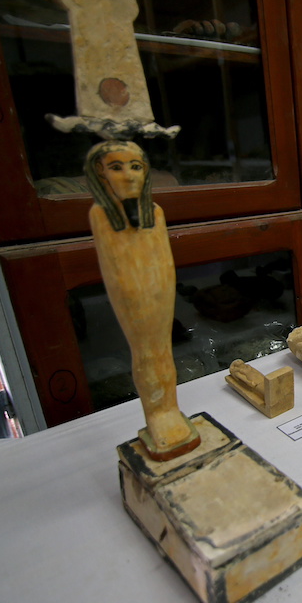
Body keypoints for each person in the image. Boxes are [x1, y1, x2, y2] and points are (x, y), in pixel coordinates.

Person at [86, 140, 197, 457]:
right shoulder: (101, 214)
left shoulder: (155, 212)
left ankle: (170, 409)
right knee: (146, 353)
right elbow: (116, 265)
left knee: (164, 350)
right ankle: (159, 413)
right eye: (116, 167)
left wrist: (161, 288)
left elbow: (163, 259)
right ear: (101, 172)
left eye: (135, 167)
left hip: (159, 285)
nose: (129, 176)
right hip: (131, 292)